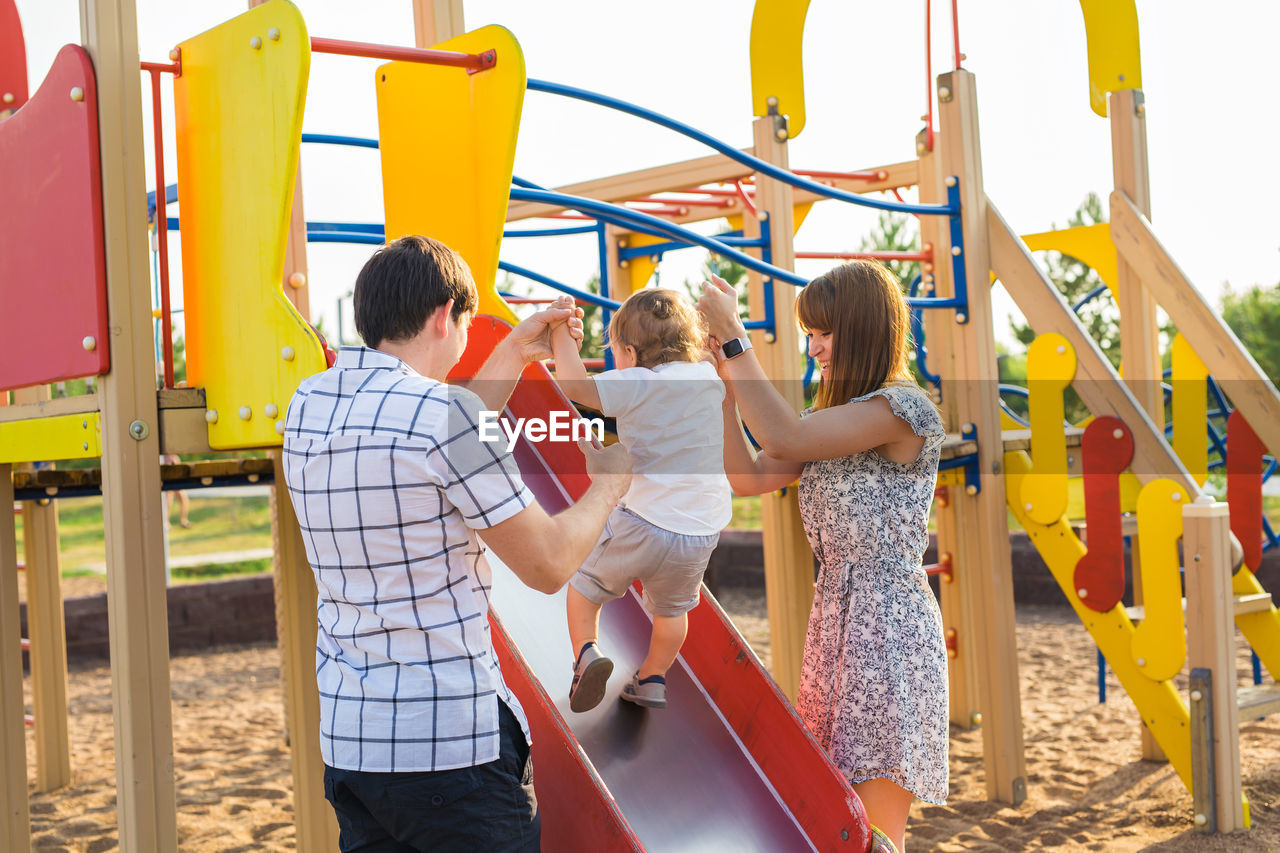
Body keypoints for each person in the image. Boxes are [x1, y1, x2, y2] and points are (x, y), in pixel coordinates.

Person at [282, 235, 632, 853]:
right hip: (450, 747)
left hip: (353, 744)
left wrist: (513, 352)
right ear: (445, 315)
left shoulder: (309, 405)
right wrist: (607, 488)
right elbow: (549, 565)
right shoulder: (444, 419)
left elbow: (431, 433)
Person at [698, 261, 948, 853]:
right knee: (836, 821)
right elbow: (750, 476)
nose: (814, 348)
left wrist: (736, 341)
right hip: (835, 619)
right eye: (809, 333)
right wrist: (726, 395)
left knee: (875, 835)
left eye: (823, 332)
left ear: (861, 328)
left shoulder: (902, 409)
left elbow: (783, 437)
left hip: (887, 625)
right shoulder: (826, 421)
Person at [551, 288, 730, 712]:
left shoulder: (637, 382)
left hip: (644, 517)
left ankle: (586, 654)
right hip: (701, 530)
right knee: (671, 613)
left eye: (616, 352)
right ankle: (653, 677)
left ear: (630, 352)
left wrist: (561, 334)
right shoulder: (708, 377)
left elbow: (575, 386)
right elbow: (708, 358)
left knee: (584, 589)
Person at [160, 453, 191, 528]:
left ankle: (183, 521)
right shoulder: (163, 457)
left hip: (176, 480)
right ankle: (166, 522)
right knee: (168, 499)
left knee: (183, 497)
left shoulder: (174, 456)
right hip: (167, 481)